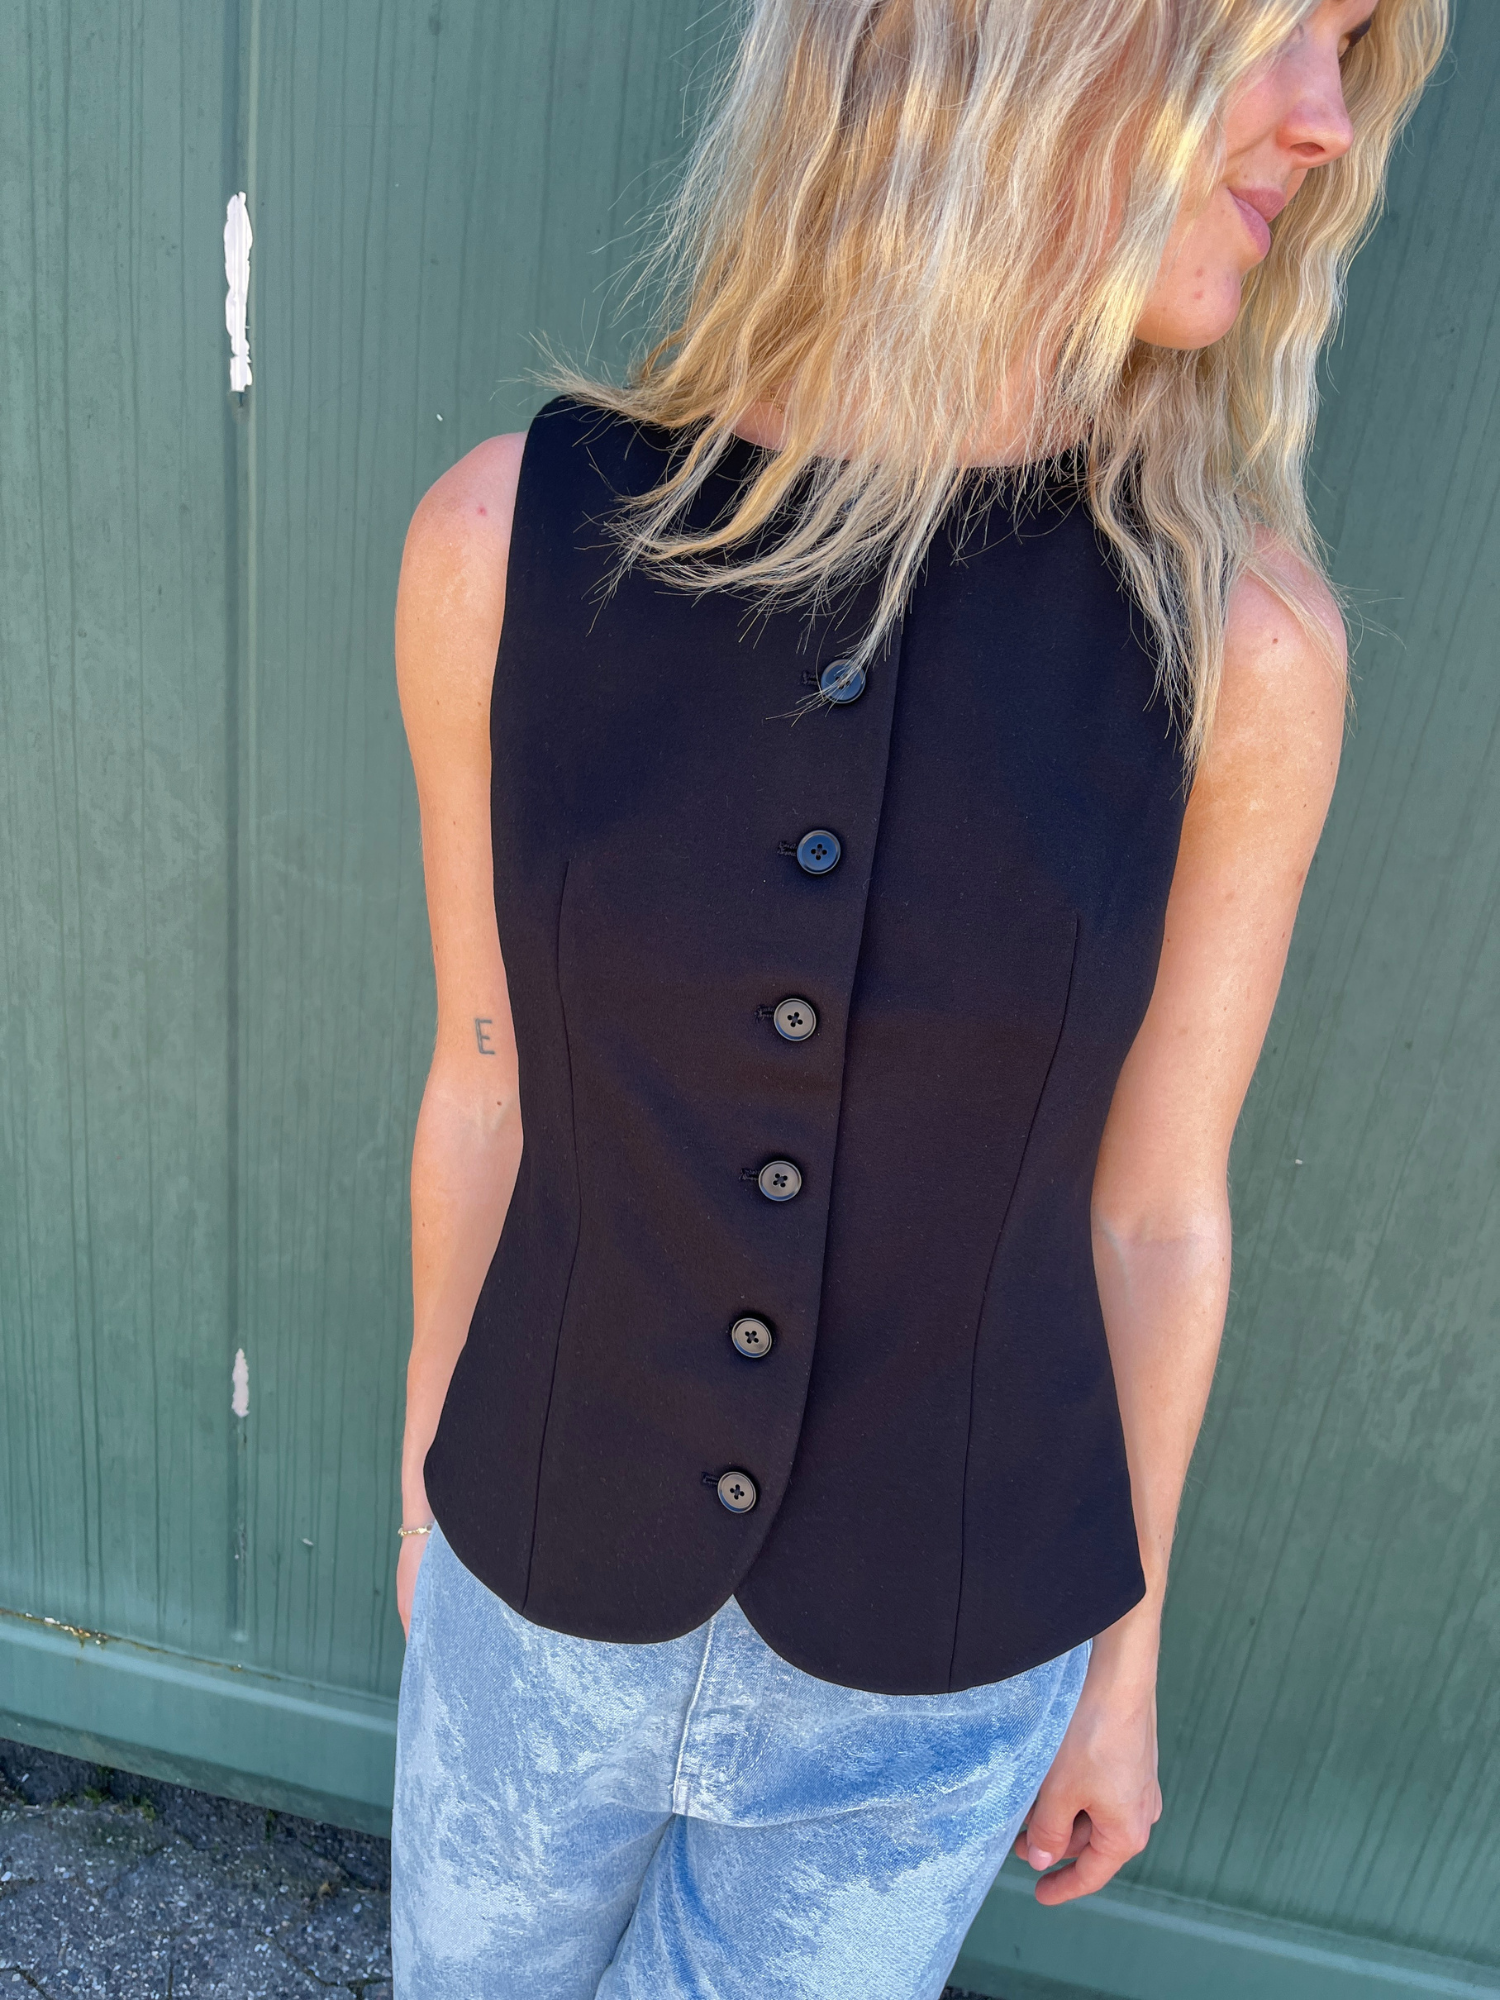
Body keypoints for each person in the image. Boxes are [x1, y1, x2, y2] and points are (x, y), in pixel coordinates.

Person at [387, 3, 1445, 1994]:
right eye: (1275, 27)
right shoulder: (506, 544)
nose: (1324, 119)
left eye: (1353, 44)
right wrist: (423, 1492)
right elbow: (483, 1081)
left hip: (935, 1686)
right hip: (537, 1574)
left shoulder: (1239, 650)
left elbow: (1155, 1212)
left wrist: (1122, 1669)